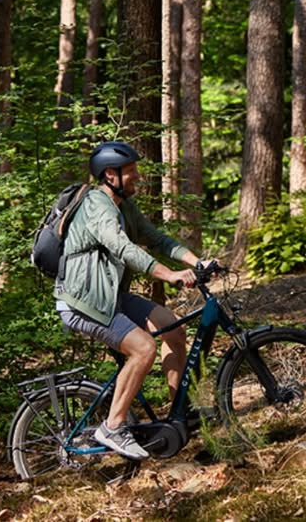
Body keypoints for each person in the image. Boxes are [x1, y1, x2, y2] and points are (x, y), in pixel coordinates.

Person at [55, 140, 203, 460]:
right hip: (83, 301)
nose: (138, 177)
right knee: (144, 348)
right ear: (111, 174)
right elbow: (123, 248)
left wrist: (197, 263)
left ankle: (180, 412)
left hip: (110, 297)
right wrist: (170, 275)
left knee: (173, 329)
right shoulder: (97, 205)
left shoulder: (125, 206)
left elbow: (157, 239)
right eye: (131, 171)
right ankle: (113, 426)